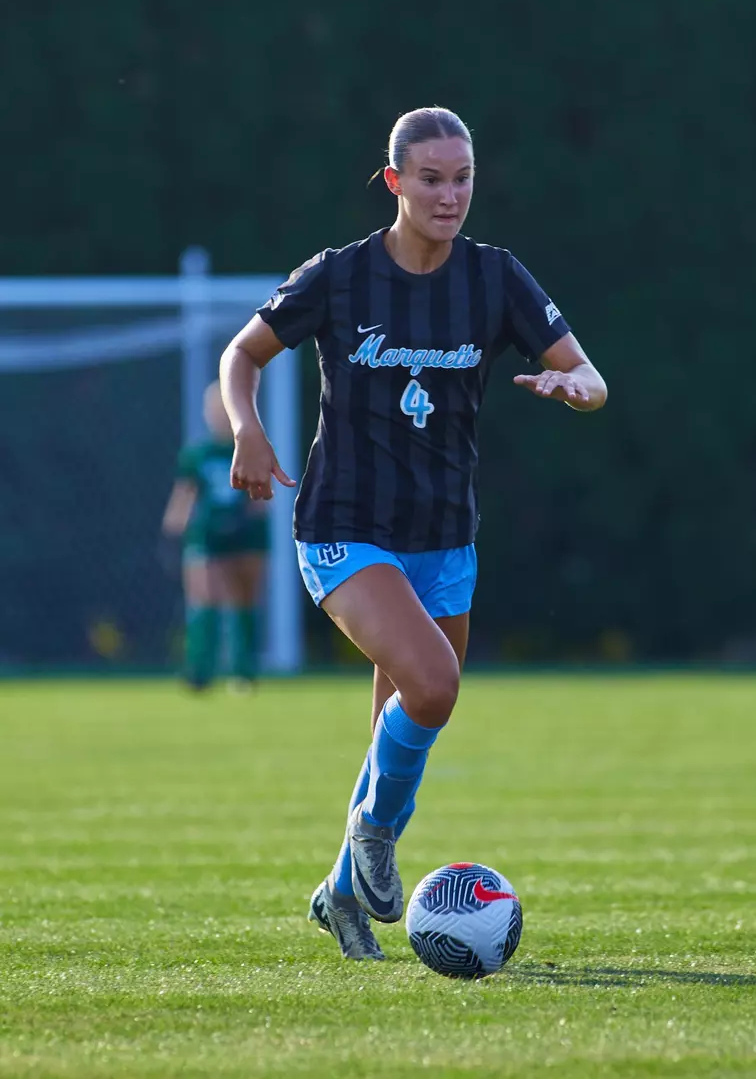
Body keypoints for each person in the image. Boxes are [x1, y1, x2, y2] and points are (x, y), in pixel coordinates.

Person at [219, 106, 607, 960]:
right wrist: (247, 430)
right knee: (431, 686)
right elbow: (241, 354)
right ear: (394, 182)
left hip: (443, 536)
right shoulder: (340, 276)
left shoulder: (494, 277)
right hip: (344, 529)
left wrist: (574, 388)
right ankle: (377, 841)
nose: (450, 194)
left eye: (462, 177)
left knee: (404, 720)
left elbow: (588, 374)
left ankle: (340, 894)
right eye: (430, 178)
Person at [162, 381, 268, 691]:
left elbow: (261, 498)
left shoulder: (250, 448)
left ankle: (243, 671)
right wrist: (172, 532)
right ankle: (200, 671)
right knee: (204, 597)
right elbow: (184, 496)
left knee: (243, 601)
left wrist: (247, 521)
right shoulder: (199, 454)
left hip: (244, 535)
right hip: (207, 534)